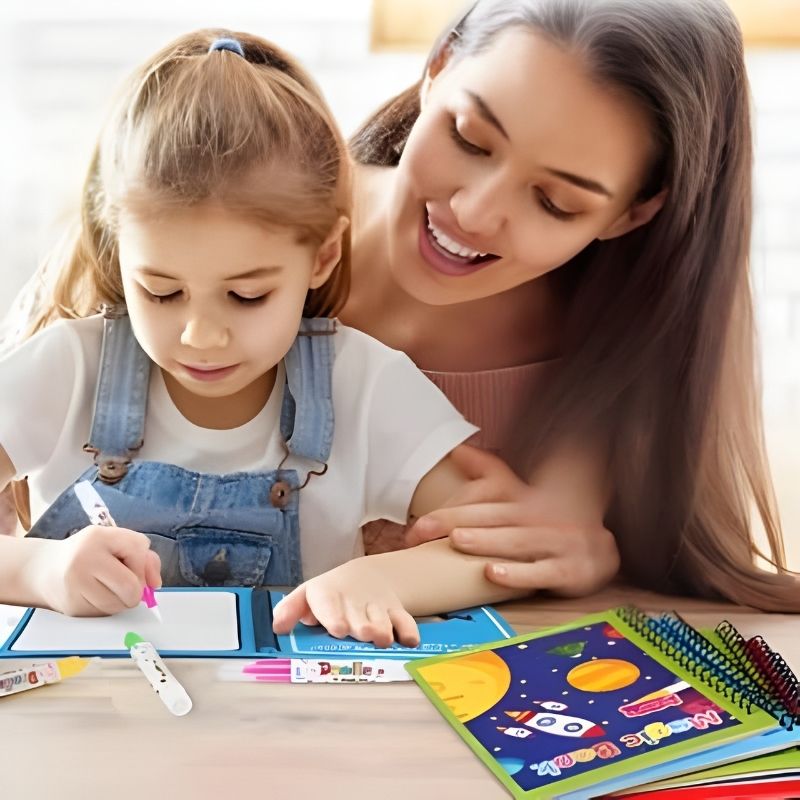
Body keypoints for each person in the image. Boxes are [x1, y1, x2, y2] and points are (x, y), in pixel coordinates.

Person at [0, 30, 529, 648]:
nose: (200, 336)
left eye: (247, 296)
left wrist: (384, 579)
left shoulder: (360, 384)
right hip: (96, 721)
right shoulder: (68, 368)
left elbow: (496, 546)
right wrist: (40, 569)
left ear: (324, 256)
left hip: (288, 723)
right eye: (161, 292)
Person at [342, 0, 798, 610]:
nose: (474, 213)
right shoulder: (249, 232)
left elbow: (551, 555)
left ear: (635, 212)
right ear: (439, 66)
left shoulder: (599, 361)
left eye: (555, 202)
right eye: (470, 139)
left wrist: (587, 557)